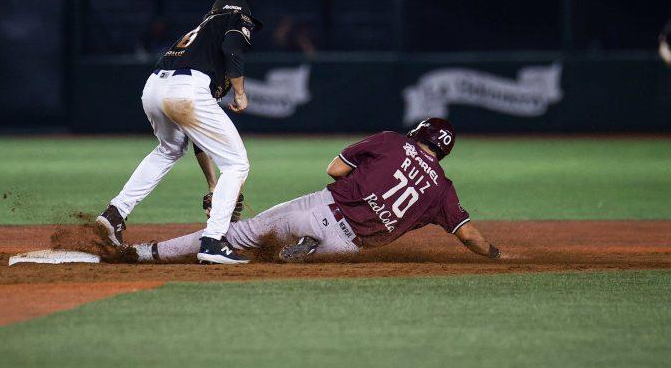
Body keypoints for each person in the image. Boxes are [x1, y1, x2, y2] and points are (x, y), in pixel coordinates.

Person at [112, 118, 503, 264]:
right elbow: (470, 237)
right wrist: (498, 255)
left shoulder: (390, 140)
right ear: (443, 154)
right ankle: (304, 250)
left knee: (228, 236)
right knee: (296, 248)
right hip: (349, 247)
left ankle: (145, 254)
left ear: (417, 134)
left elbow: (334, 169)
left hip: (322, 210)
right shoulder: (443, 189)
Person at [95, 0, 262, 265]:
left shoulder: (198, 37)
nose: (249, 28)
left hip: (154, 87)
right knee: (237, 164)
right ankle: (213, 241)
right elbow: (233, 48)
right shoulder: (231, 18)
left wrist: (212, 184)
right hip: (187, 88)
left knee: (168, 150)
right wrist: (240, 92)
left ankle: (115, 213)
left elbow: (199, 138)